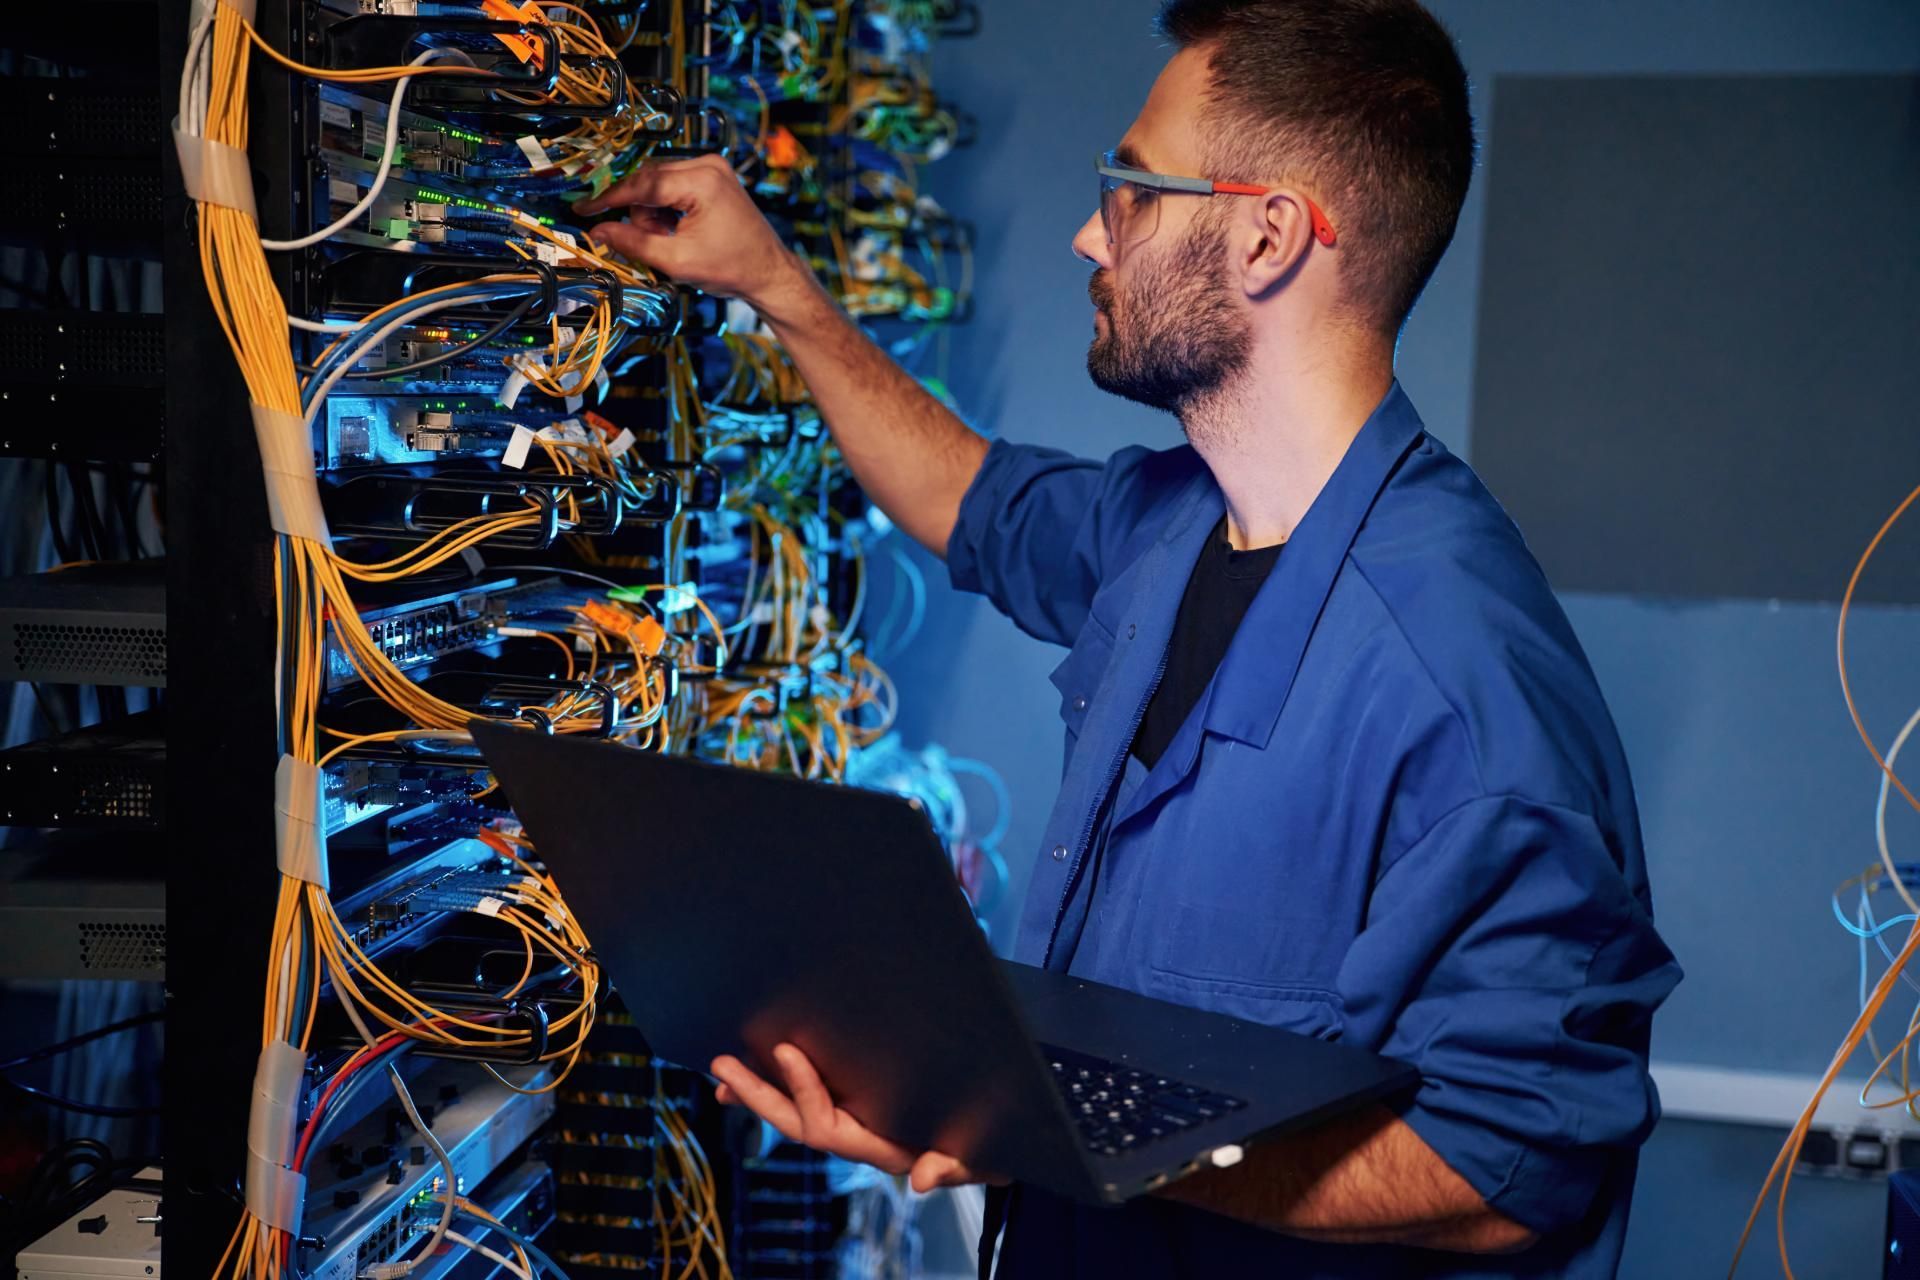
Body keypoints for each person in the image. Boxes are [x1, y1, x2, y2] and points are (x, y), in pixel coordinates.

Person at [577, 0, 1681, 1274]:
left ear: (1269, 235)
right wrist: (774, 282)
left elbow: (1510, 1162)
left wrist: (1074, 1139)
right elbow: (970, 498)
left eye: (1133, 190)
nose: (1088, 231)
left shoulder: (1461, 673)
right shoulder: (1167, 525)